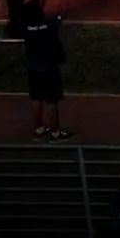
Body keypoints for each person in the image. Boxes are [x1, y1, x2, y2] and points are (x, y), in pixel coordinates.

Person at [24, 9, 72, 142]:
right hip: (49, 68)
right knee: (51, 100)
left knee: (36, 99)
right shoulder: (50, 26)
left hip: (33, 68)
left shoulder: (25, 27)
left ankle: (38, 129)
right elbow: (60, 17)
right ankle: (55, 133)